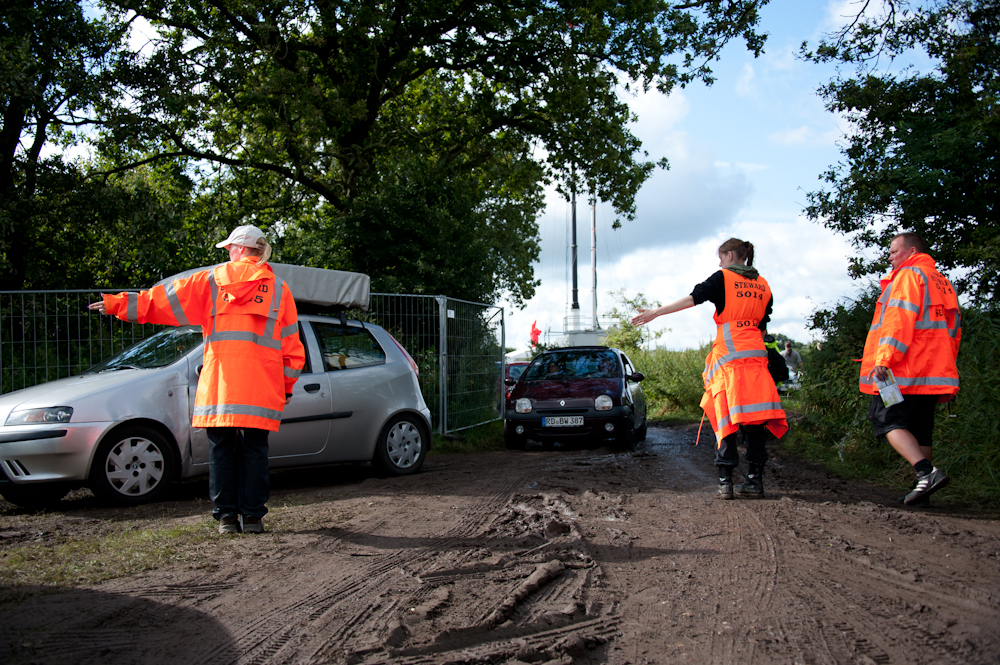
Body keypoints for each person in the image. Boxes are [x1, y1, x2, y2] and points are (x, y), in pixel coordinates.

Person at [89, 225, 305, 533]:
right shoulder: (279, 289)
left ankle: (226, 518)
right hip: (260, 387)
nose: (228, 253)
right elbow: (292, 346)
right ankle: (253, 518)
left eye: (230, 248)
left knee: (221, 449)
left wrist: (118, 304)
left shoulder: (211, 281)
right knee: (255, 450)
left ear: (240, 249)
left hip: (220, 385)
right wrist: (285, 387)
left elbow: (162, 300)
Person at [632, 238, 786, 499]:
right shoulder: (763, 284)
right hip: (757, 363)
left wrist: (656, 312)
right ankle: (755, 480)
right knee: (756, 420)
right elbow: (762, 327)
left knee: (725, 419)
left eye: (721, 257)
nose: (720, 263)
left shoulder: (723, 278)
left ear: (729, 255)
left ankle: (725, 482)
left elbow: (694, 298)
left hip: (729, 362)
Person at [860, 232, 960, 506]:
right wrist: (947, 365)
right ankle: (923, 491)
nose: (890, 257)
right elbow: (953, 330)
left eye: (894, 252)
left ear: (912, 251)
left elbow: (898, 322)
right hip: (933, 372)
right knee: (921, 430)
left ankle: (926, 473)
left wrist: (884, 359)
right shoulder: (942, 282)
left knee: (886, 421)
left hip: (903, 370)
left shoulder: (908, 276)